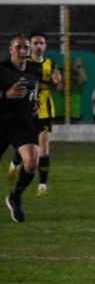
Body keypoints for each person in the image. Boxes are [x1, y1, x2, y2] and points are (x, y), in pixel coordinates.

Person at [8, 32, 61, 197]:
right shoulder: (23, 63)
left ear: (45, 46)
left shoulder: (51, 64)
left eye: (41, 42)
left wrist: (56, 82)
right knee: (28, 145)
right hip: (26, 112)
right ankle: (14, 163)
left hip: (45, 111)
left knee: (44, 149)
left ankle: (42, 185)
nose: (38, 45)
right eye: (35, 42)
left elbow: (57, 88)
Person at [1, 34, 41, 222]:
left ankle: (15, 197)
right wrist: (5, 95)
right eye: (18, 47)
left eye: (25, 47)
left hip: (21, 123)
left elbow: (33, 91)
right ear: (10, 50)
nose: (23, 50)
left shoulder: (34, 70)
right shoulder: (2, 69)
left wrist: (34, 104)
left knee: (32, 160)